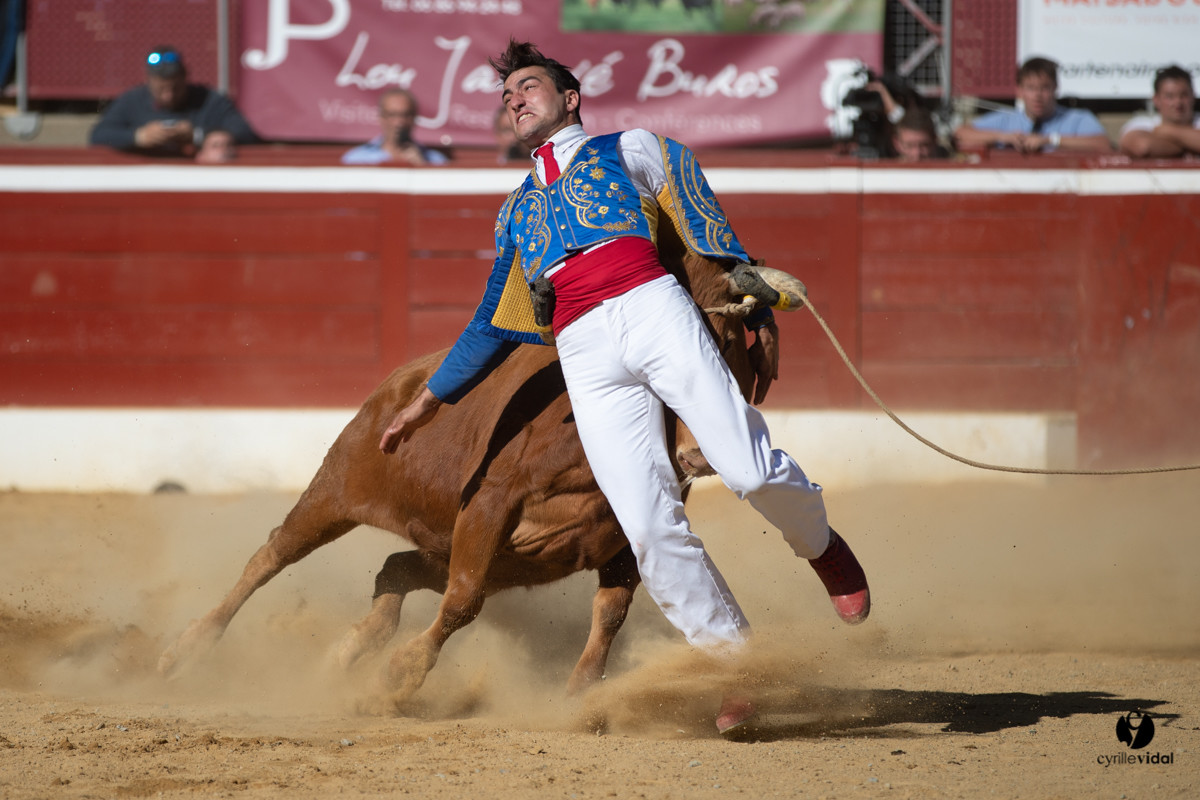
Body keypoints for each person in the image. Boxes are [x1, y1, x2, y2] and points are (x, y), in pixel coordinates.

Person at [378, 40, 870, 734]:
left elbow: (695, 211)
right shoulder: (515, 212)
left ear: (570, 98)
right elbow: (494, 321)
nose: (514, 99)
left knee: (744, 465)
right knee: (644, 524)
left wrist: (741, 278)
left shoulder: (631, 146)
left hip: (650, 303)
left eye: (528, 86)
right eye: (505, 95)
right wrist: (428, 400)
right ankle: (735, 665)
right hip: (583, 347)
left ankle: (821, 546)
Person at [89, 46, 258, 157]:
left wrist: (198, 135)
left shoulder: (209, 100)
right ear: (148, 81)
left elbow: (246, 133)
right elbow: (98, 136)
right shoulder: (132, 100)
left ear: (186, 78)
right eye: (161, 89)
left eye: (175, 88)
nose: (168, 96)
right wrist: (138, 136)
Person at [953, 57, 1111, 154]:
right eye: (1030, 88)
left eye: (1044, 88)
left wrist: (1050, 140)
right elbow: (960, 134)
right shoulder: (1006, 120)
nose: (1037, 96)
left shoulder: (1076, 118)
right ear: (1019, 91)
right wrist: (1003, 137)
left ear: (1056, 88)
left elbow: (1103, 145)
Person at [342, 88, 449, 166]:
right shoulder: (356, 159)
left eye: (405, 115)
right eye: (392, 115)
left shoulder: (435, 160)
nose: (399, 122)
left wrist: (421, 168)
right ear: (381, 117)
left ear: (414, 118)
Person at [1119, 65, 1200, 159]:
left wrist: (1166, 131)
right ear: (1156, 100)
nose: (1178, 102)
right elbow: (1143, 147)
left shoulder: (1157, 129)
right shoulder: (1141, 123)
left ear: (1193, 96)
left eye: (1184, 95)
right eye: (1170, 96)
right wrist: (1191, 146)